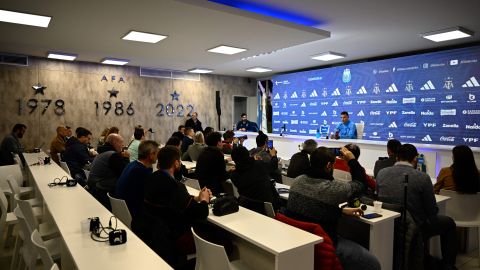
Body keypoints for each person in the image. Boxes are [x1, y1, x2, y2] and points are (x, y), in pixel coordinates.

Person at [286, 146, 380, 270]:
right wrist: (352, 160)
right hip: (324, 245)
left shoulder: (297, 181)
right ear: (329, 166)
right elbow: (361, 185)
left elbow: (312, 207)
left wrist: (340, 210)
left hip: (298, 240)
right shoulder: (333, 189)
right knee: (373, 263)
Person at [377, 144, 457, 270]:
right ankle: (448, 265)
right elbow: (432, 211)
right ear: (415, 159)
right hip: (415, 226)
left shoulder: (381, 173)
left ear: (397, 157)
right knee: (449, 223)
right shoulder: (422, 178)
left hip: (390, 223)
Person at [132, 146, 212, 269]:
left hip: (153, 231)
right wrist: (205, 200)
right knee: (223, 240)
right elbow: (201, 213)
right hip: (172, 235)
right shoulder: (175, 186)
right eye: (179, 161)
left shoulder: (152, 178)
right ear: (175, 163)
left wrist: (196, 198)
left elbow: (173, 200)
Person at [116, 140, 159, 218]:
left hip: (122, 209)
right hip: (133, 213)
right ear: (151, 155)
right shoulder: (141, 172)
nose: (157, 156)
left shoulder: (131, 165)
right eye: (157, 153)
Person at [88, 133, 130, 209]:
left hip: (93, 187)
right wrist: (126, 158)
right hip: (100, 190)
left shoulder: (102, 152)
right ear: (115, 143)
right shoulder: (113, 155)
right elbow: (125, 173)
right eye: (121, 142)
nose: (123, 145)